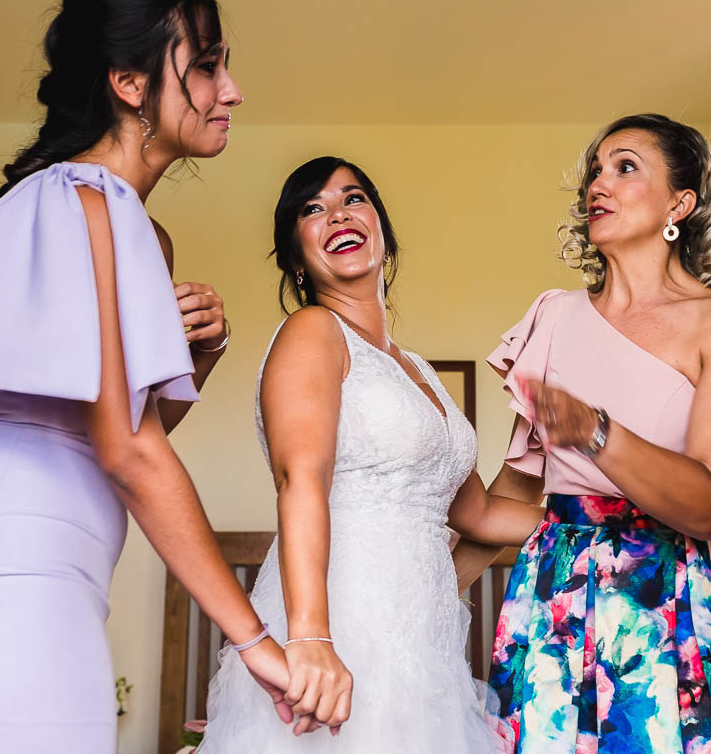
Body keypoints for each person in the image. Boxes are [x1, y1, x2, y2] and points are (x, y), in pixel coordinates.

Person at [0, 0, 292, 753]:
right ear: (130, 83)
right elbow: (126, 451)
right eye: (206, 64)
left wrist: (194, 363)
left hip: (46, 586)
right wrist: (254, 640)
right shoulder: (79, 200)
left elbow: (110, 434)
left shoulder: (133, 225)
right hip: (3, 583)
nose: (232, 88)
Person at [453, 114, 711, 753]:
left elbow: (710, 504)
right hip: (555, 601)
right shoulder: (552, 317)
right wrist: (427, 603)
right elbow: (511, 498)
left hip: (673, 598)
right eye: (595, 171)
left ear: (679, 204)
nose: (598, 184)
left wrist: (597, 431)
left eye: (625, 167)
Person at [199, 156, 535, 752]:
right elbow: (299, 479)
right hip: (338, 626)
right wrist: (311, 639)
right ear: (294, 258)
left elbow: (478, 514)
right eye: (312, 209)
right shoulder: (312, 332)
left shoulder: (420, 371)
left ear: (381, 225)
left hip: (422, 646)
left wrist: (602, 518)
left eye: (352, 199)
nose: (337, 215)